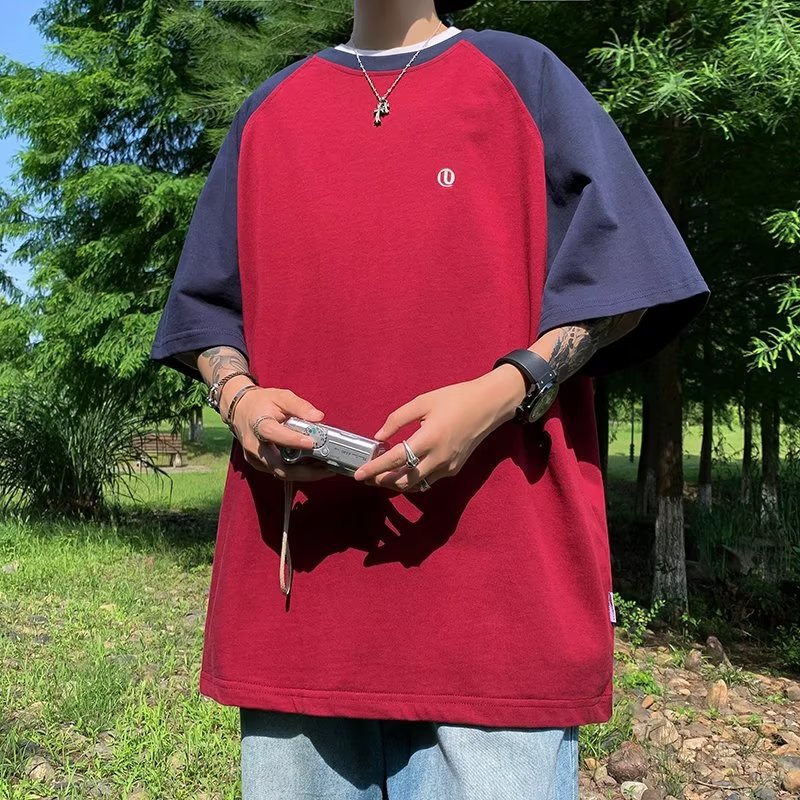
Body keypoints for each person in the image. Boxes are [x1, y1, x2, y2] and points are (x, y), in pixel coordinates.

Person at [149, 1, 710, 797]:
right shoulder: (269, 113)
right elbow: (204, 312)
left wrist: (501, 391)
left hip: (499, 601)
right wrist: (239, 400)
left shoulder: (524, 77)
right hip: (304, 604)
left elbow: (631, 279)